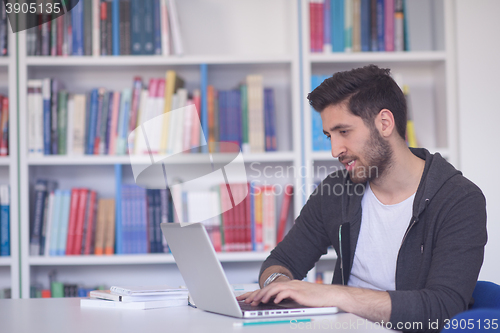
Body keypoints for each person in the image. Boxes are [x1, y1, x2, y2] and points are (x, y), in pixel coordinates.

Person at [237, 65, 487, 332]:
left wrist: (334, 295)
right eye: (329, 135)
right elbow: (282, 260)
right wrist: (278, 284)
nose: (335, 150)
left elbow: (442, 309)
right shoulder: (336, 190)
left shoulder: (459, 199)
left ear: (384, 123)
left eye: (343, 132)